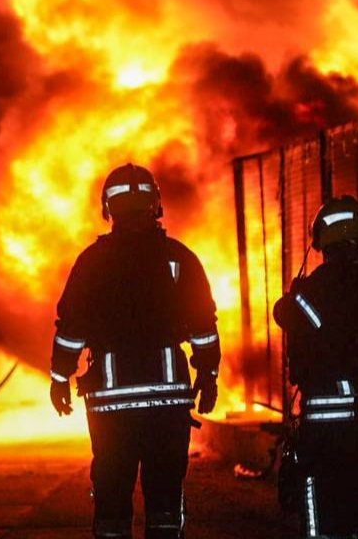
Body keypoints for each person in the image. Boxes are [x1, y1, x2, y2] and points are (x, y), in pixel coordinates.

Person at [49, 163, 221, 539]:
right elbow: (203, 326)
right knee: (164, 499)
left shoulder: (92, 262)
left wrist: (60, 377)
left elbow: (71, 329)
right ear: (155, 204)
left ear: (107, 209)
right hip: (168, 403)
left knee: (112, 497)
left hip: (111, 407)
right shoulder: (179, 259)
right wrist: (208, 375)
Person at [273, 195, 358, 539]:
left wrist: (297, 293)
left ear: (322, 241)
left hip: (325, 422)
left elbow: (284, 313)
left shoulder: (315, 287)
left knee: (320, 502)